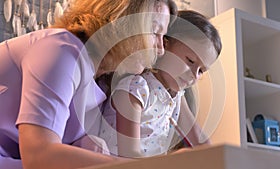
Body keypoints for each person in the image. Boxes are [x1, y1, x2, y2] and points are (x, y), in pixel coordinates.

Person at [0, 0, 177, 168]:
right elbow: (39, 156)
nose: (160, 49)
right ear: (122, 23)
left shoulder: (102, 81)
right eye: (154, 32)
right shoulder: (61, 51)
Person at [98, 10, 222, 158]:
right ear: (165, 44)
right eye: (190, 61)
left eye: (201, 70)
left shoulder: (175, 96)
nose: (194, 75)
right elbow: (128, 154)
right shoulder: (136, 89)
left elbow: (200, 141)